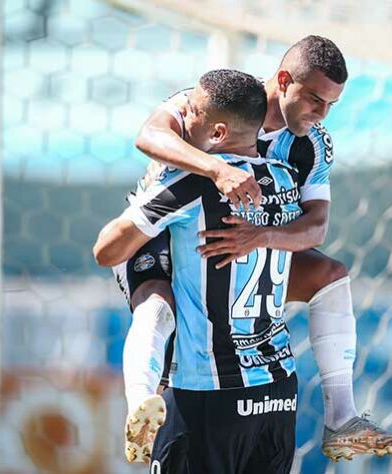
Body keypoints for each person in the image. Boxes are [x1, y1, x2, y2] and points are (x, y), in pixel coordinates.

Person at [116, 35, 392, 463]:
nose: (321, 115)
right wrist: (215, 168)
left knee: (331, 275)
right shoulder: (218, 101)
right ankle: (141, 405)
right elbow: (148, 135)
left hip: (243, 251)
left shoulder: (311, 144)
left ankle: (343, 418)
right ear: (282, 81)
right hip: (170, 237)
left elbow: (316, 226)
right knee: (157, 301)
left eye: (331, 105)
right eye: (314, 100)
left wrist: (261, 238)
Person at [95, 69, 302, 472]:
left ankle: (138, 392)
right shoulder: (287, 178)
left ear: (218, 133)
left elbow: (106, 249)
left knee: (152, 299)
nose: (182, 118)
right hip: (278, 393)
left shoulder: (194, 183)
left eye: (190, 111)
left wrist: (146, 218)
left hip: (206, 393)